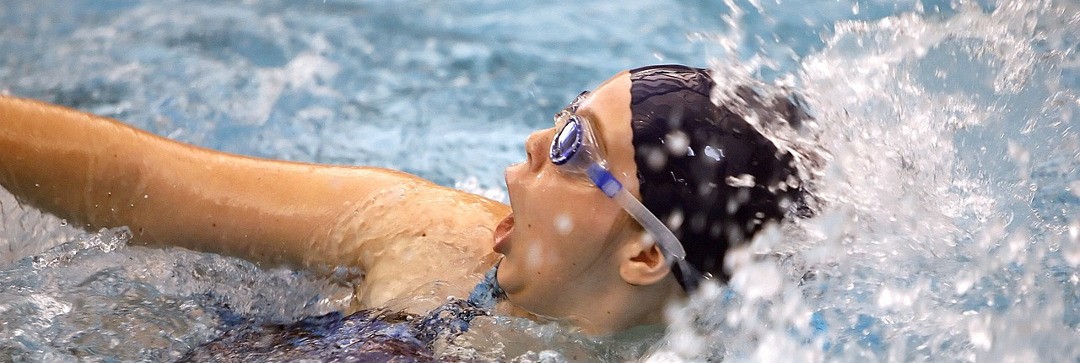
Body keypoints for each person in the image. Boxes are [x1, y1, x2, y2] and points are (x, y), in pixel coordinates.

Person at [0, 64, 806, 336]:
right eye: (561, 116)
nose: (535, 142)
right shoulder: (421, 234)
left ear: (643, 253)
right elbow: (142, 184)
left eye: (574, 148)